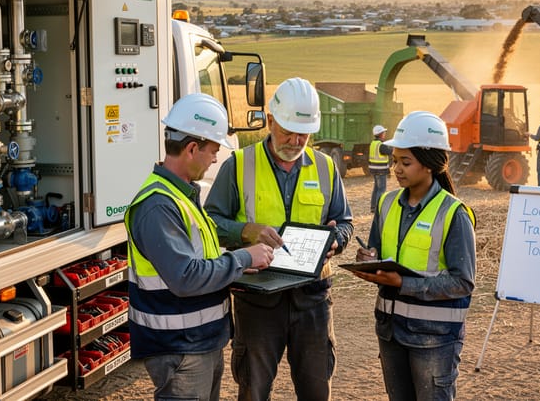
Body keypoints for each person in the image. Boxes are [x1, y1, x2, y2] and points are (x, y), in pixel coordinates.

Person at [204, 77, 354, 401]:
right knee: (254, 390)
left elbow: (344, 221)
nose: (296, 139)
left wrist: (336, 240)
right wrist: (245, 231)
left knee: (316, 390)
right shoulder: (239, 164)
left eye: (304, 132)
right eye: (288, 130)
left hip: (312, 299)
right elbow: (210, 221)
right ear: (271, 121)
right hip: (258, 301)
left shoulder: (326, 168)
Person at [124, 93, 275, 401]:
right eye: (213, 150)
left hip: (199, 342)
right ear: (192, 148)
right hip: (180, 349)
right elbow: (186, 277)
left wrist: (236, 254)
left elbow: (199, 256)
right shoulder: (158, 206)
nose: (216, 159)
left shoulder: (181, 197)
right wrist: (243, 257)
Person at [352, 111, 477, 401]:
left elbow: (462, 283)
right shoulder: (386, 204)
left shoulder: (453, 214)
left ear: (430, 164)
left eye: (405, 162)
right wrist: (367, 259)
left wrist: (402, 283)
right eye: (394, 160)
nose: (396, 168)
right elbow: (379, 254)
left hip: (434, 338)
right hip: (390, 332)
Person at [368, 124, 392, 213]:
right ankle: (379, 208)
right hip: (381, 170)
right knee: (381, 189)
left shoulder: (373, 143)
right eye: (384, 132)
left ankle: (373, 207)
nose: (385, 134)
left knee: (376, 189)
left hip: (374, 170)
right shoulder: (381, 145)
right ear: (381, 134)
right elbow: (390, 152)